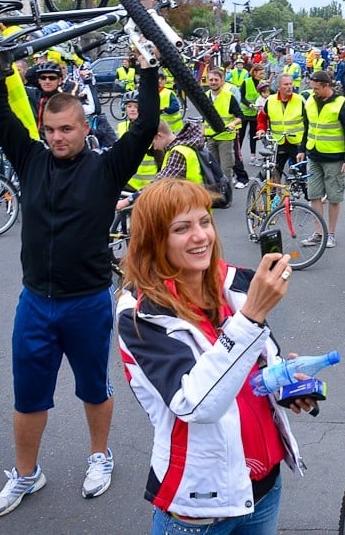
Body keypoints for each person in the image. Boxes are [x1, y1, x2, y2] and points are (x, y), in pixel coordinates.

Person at [0, 59, 159, 517]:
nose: (57, 138)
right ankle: (27, 473)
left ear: (84, 127)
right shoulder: (31, 159)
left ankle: (100, 456)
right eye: (50, 130)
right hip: (35, 304)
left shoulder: (106, 170)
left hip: (87, 303)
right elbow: (0, 115)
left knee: (93, 389)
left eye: (66, 129)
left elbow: (145, 130)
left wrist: (148, 71)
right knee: (28, 395)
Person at [116, 178, 315, 535]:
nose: (201, 236)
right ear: (154, 240)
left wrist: (285, 382)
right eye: (182, 228)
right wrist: (250, 317)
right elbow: (194, 403)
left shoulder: (236, 283)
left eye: (204, 222)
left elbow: (255, 367)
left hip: (263, 487)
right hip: (200, 509)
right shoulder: (140, 314)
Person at [297, 70, 345, 250]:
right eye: (312, 88)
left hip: (334, 158)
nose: (313, 91)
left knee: (334, 197)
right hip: (314, 155)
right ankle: (319, 232)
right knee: (314, 194)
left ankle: (330, 233)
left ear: (326, 86)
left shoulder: (341, 104)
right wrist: (302, 149)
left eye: (316, 88)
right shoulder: (309, 101)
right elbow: (307, 127)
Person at [256, 74, 305, 181]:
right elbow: (262, 117)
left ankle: (308, 194)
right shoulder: (270, 100)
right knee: (274, 173)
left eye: (291, 84)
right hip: (278, 143)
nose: (289, 87)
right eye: (286, 84)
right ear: (278, 87)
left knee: (302, 176)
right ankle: (274, 196)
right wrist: (261, 129)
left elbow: (310, 121)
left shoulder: (300, 100)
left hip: (297, 143)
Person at [204, 68, 244, 188]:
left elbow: (240, 116)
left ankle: (227, 196)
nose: (213, 82)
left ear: (222, 81)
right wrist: (202, 136)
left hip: (225, 138)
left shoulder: (229, 96)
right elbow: (203, 118)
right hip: (210, 137)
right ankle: (216, 195)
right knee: (213, 168)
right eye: (211, 80)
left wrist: (233, 124)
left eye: (216, 80)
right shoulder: (205, 96)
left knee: (225, 169)